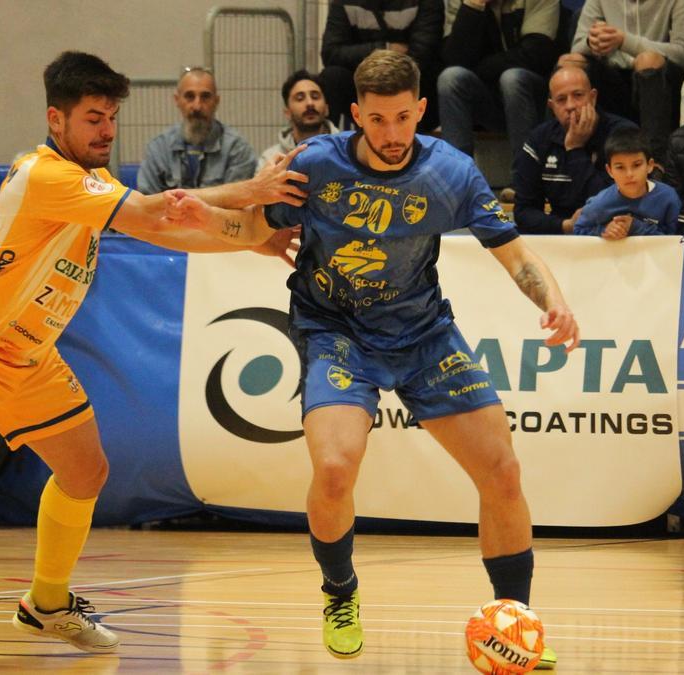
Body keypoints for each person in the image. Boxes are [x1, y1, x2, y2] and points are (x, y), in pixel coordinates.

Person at [0, 51, 306, 668]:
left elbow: (170, 230)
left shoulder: (94, 187)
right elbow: (160, 212)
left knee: (86, 471)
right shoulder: (43, 175)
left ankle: (46, 602)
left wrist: (258, 238)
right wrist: (253, 195)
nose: (106, 130)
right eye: (93, 117)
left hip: (27, 355)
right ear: (57, 118)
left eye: (112, 118)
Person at [168, 49, 577, 668]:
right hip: (335, 331)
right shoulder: (316, 165)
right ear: (356, 114)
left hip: (423, 335)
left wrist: (556, 302)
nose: (391, 135)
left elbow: (515, 254)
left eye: (403, 119)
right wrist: (215, 219)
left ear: (421, 111)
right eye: (377, 120)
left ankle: (515, 625)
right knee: (334, 469)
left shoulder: (453, 173)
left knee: (502, 472)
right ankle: (340, 592)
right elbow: (261, 232)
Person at [561, 0, 684, 159]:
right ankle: (559, 153)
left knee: (648, 60)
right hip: (613, 76)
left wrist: (625, 41)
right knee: (570, 63)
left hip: (662, 81)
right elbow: (577, 46)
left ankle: (655, 160)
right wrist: (593, 42)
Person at [512, 66, 637, 233]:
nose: (570, 105)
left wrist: (575, 150)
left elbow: (617, 205)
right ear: (552, 106)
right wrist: (566, 225)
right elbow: (523, 212)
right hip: (563, 235)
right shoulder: (539, 139)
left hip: (616, 235)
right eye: (561, 99)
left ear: (593, 97)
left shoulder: (623, 134)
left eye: (578, 96)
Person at [435, 0, 561, 159]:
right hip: (488, 99)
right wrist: (474, 6)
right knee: (450, 78)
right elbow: (455, 59)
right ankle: (457, 175)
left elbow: (536, 54)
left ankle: (525, 177)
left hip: (534, 98)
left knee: (512, 78)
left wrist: (478, 68)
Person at [320, 0, 445, 131]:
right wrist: (383, 48)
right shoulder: (345, 2)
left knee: (433, 75)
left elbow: (423, 55)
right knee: (332, 76)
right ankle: (327, 142)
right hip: (363, 84)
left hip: (413, 85)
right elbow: (330, 53)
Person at [137, 66, 257, 194]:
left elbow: (238, 203)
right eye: (189, 96)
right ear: (177, 100)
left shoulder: (237, 149)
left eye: (205, 97)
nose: (197, 106)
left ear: (216, 101)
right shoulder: (159, 148)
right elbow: (147, 203)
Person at [574, 127, 682, 236]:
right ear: (609, 170)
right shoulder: (599, 203)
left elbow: (677, 240)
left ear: (650, 165)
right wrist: (603, 230)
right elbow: (578, 230)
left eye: (636, 165)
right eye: (620, 167)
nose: (629, 174)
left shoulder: (668, 198)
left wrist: (637, 227)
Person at [259, 70, 341, 169]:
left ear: (327, 109)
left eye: (315, 97)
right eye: (300, 98)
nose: (309, 103)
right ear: (287, 112)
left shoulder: (347, 151)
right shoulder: (271, 160)